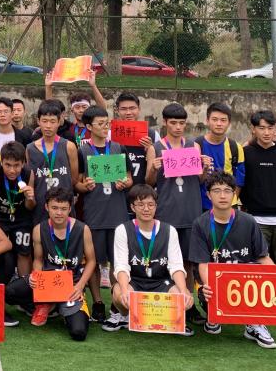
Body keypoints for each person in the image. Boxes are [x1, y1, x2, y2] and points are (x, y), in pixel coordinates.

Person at [190, 171, 276, 349]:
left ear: (234, 194)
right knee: (206, 291)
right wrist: (209, 286)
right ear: (208, 195)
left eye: (227, 190)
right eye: (216, 191)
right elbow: (203, 263)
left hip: (244, 282)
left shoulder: (248, 221)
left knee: (257, 276)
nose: (222, 196)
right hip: (216, 283)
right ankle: (214, 315)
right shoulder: (200, 224)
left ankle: (254, 324)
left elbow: (263, 257)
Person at [145, 102, 208, 323]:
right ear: (165, 123)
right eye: (173, 123)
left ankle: (188, 304)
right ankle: (168, 303)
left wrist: (205, 167)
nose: (178, 127)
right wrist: (153, 168)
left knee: (188, 263)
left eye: (181, 123)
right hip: (166, 212)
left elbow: (201, 179)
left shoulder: (193, 146)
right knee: (166, 261)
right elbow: (149, 183)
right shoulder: (156, 147)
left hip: (190, 212)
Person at [6, 187, 94, 340]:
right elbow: (38, 259)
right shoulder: (39, 229)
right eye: (54, 208)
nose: (59, 213)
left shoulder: (83, 229)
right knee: (9, 292)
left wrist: (80, 286)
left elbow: (92, 261)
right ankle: (46, 303)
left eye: (63, 209)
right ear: (46, 207)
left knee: (78, 332)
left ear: (70, 208)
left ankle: (58, 306)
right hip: (47, 282)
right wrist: (36, 275)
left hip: (71, 285)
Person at [106, 184, 194, 334]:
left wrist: (184, 290)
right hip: (134, 281)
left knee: (184, 298)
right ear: (132, 207)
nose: (146, 209)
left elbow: (176, 266)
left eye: (150, 204)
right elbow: (121, 266)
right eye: (140, 204)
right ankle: (124, 316)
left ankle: (174, 319)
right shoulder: (123, 230)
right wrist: (125, 290)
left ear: (156, 206)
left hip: (161, 282)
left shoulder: (169, 230)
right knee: (119, 292)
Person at [75, 105, 131, 324]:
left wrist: (125, 183)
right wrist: (85, 186)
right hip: (94, 213)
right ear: (89, 127)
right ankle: (98, 302)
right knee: (94, 260)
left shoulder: (118, 148)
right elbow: (76, 183)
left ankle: (118, 303)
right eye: (100, 123)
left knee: (119, 262)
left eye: (107, 123)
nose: (105, 127)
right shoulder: (82, 151)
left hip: (117, 213)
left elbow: (130, 178)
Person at [0, 141, 36, 325]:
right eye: (8, 165)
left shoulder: (29, 174)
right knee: (4, 259)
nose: (12, 170)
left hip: (21, 217)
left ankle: (23, 298)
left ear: (23, 163)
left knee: (24, 253)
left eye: (16, 165)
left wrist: (30, 197)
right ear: (1, 161)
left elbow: (30, 207)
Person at [241, 110, 276, 267]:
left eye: (270, 128)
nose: (266, 132)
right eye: (262, 128)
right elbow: (242, 183)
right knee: (257, 263)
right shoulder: (245, 153)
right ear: (253, 129)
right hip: (255, 218)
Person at [27, 100, 80, 224]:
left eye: (52, 121)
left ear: (59, 122)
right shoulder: (30, 149)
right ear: (38, 121)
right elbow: (31, 180)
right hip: (41, 207)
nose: (48, 126)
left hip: (64, 206)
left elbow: (74, 179)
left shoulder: (69, 146)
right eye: (44, 121)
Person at [197, 102, 245, 210]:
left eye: (223, 120)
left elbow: (239, 180)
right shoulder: (196, 145)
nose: (219, 124)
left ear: (229, 123)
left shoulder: (236, 148)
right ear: (207, 120)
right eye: (214, 119)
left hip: (228, 207)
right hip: (201, 206)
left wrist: (231, 201)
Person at [112, 93, 158, 185]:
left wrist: (150, 149)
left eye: (132, 108)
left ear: (139, 109)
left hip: (143, 190)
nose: (128, 113)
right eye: (123, 109)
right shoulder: (110, 135)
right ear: (117, 111)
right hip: (118, 188)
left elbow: (157, 165)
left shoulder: (153, 135)